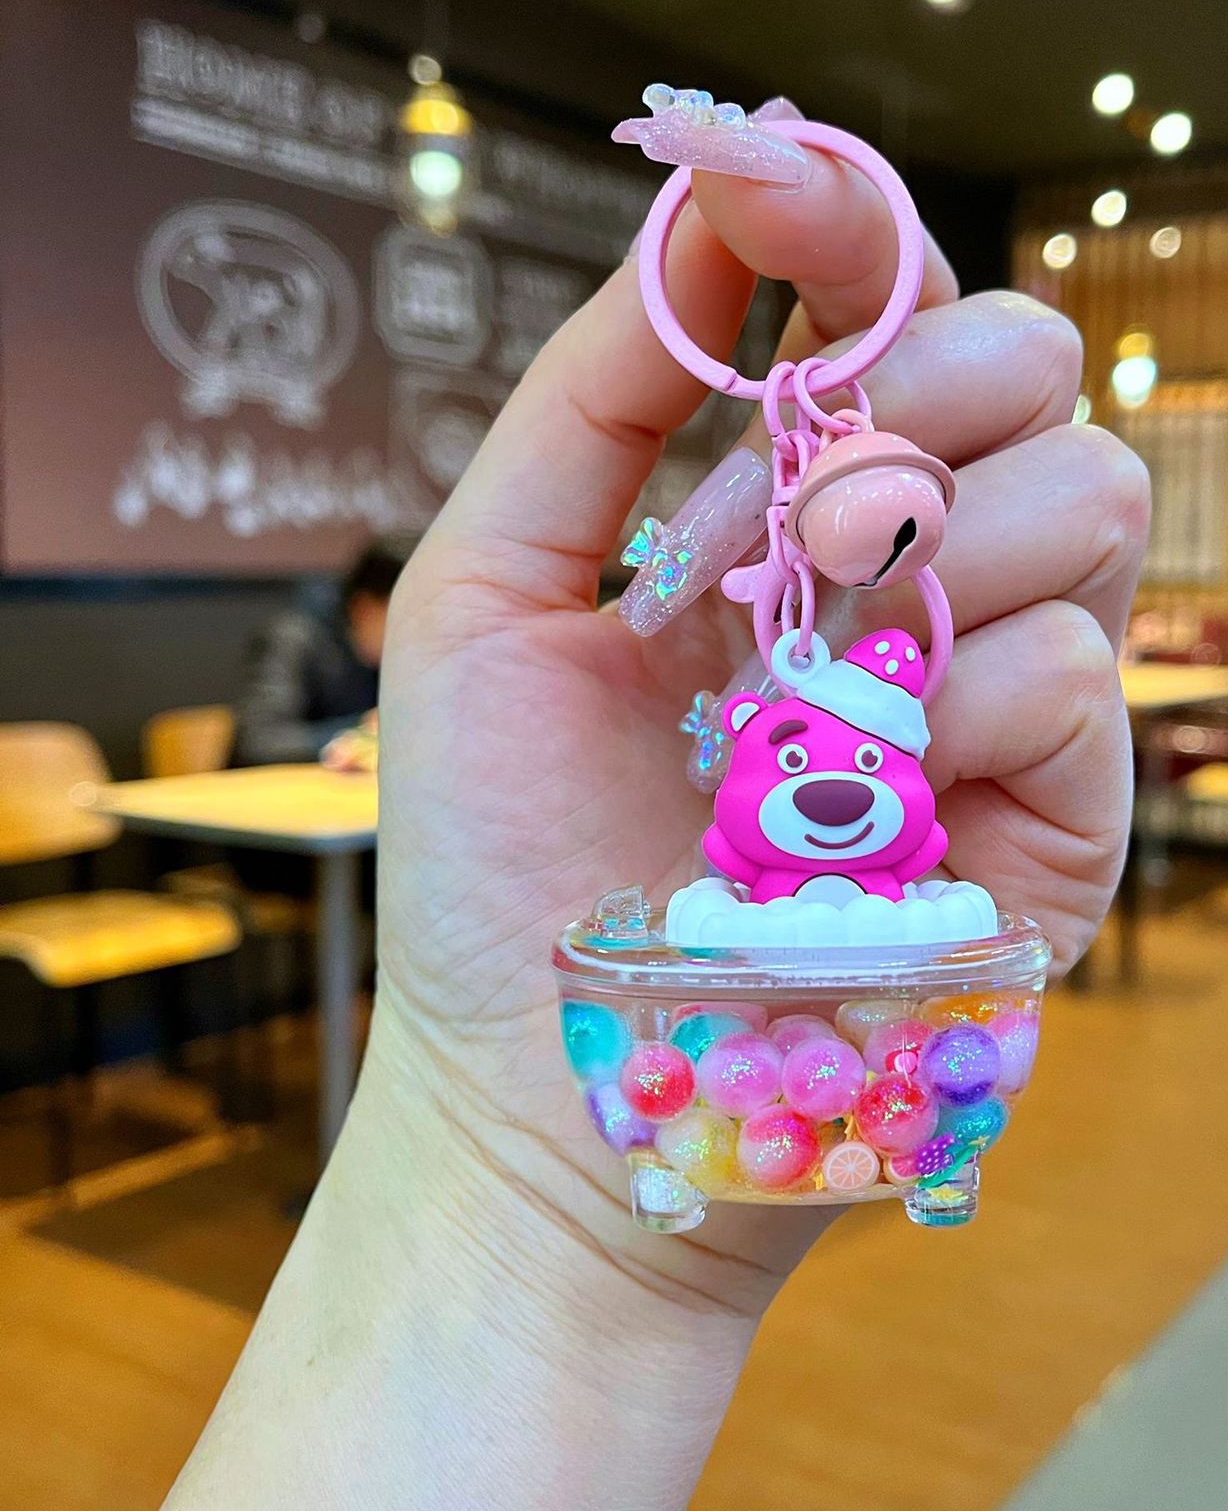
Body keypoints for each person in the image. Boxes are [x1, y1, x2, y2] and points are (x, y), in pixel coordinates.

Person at [165, 150, 1149, 1510]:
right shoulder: (704, 875)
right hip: (687, 1080)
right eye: (789, 755)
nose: (832, 790)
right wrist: (501, 1195)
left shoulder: (892, 846)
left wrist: (564, 1268)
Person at [231, 535, 416, 767]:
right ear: (365, 608)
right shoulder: (291, 639)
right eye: (410, 618)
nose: (419, 635)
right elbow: (259, 742)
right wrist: (362, 730)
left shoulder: (395, 659)